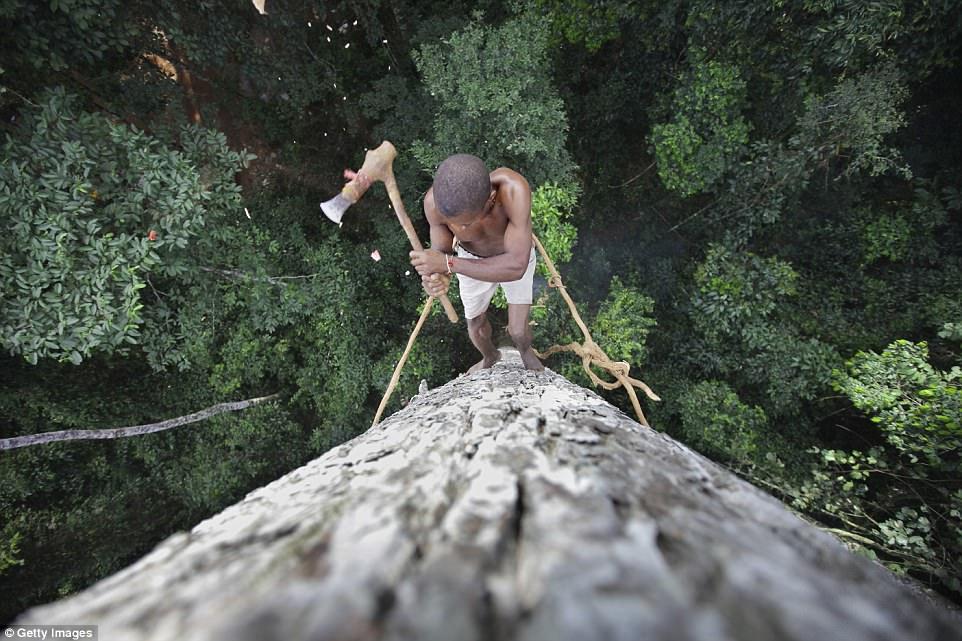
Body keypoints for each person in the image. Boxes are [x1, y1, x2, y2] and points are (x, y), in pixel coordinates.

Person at [409, 154, 544, 372]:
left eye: (464, 224)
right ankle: (490, 356)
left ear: (490, 200)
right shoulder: (434, 204)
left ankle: (525, 351)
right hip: (468, 258)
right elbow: (441, 256)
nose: (456, 227)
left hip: (513, 258)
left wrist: (449, 264)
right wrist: (436, 280)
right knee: (475, 326)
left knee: (518, 331)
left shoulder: (512, 190)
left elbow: (516, 266)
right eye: (450, 223)